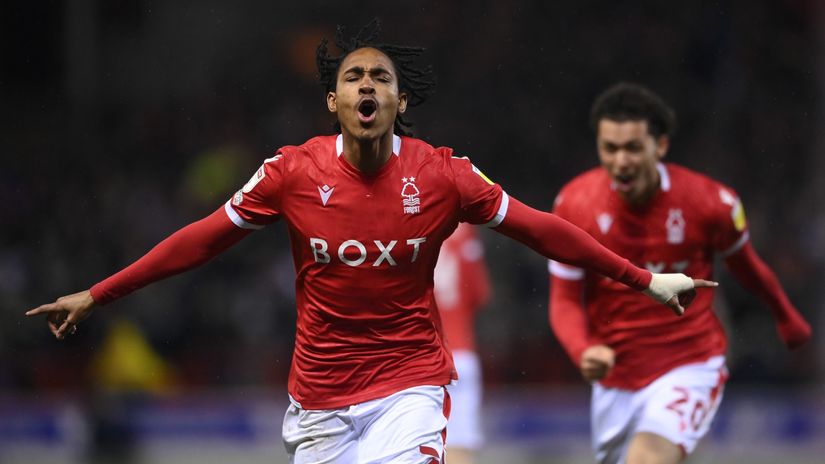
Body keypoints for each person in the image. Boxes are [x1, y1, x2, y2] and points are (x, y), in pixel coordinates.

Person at [27, 22, 713, 464]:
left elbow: (541, 228)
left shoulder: (444, 175)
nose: (366, 85)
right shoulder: (289, 173)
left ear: (399, 102)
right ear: (332, 102)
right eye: (352, 77)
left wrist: (643, 279)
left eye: (379, 78)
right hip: (319, 400)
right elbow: (200, 241)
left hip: (407, 388)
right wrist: (98, 292)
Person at [547, 82, 812, 464]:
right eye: (610, 148)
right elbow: (565, 297)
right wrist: (582, 348)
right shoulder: (574, 204)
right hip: (616, 378)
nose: (621, 161)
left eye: (633, 148)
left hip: (689, 362)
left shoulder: (709, 203)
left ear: (661, 146)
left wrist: (786, 317)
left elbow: (749, 268)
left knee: (648, 458)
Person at [433, 222, 491, 464]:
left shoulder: (400, 225)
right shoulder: (463, 230)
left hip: (417, 357)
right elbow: (479, 293)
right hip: (459, 353)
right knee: (458, 445)